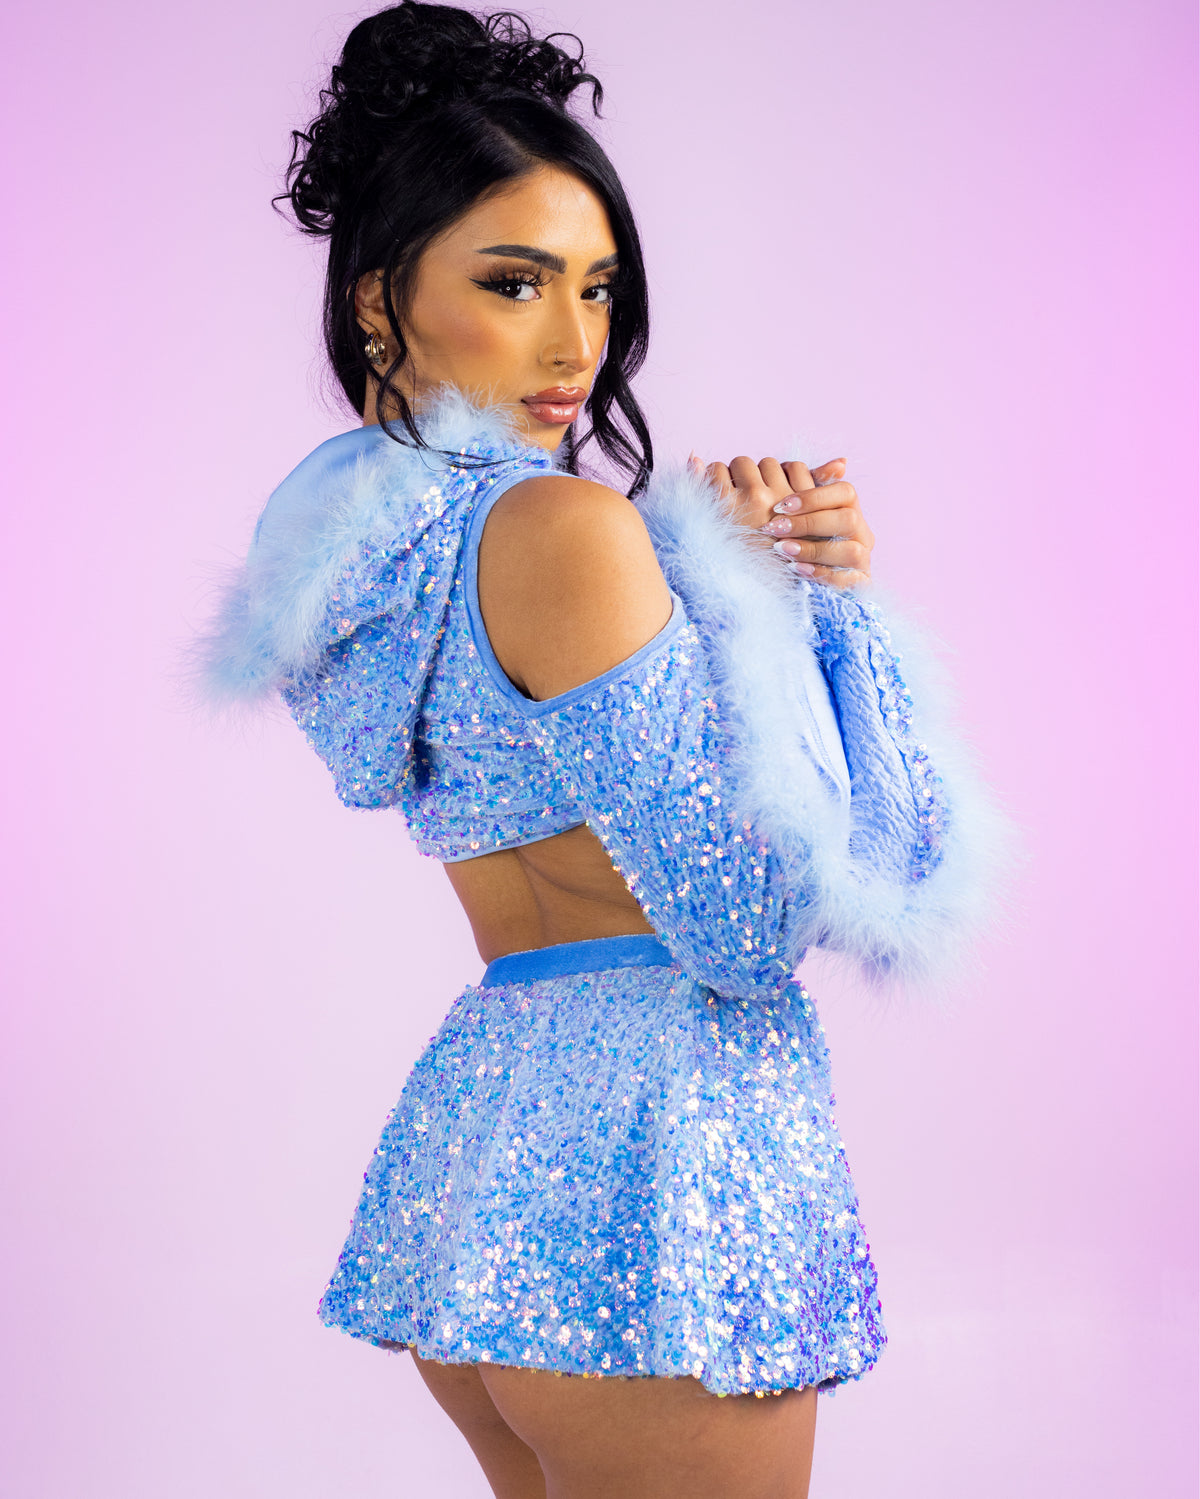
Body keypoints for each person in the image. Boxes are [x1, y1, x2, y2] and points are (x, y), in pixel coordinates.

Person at [199, 4, 1007, 1495]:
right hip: (661, 1180)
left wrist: (733, 590)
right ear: (380, 300)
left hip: (493, 1150)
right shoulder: (567, 530)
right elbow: (745, 928)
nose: (576, 345)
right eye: (513, 283)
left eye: (597, 286)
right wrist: (797, 615)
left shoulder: (360, 552)